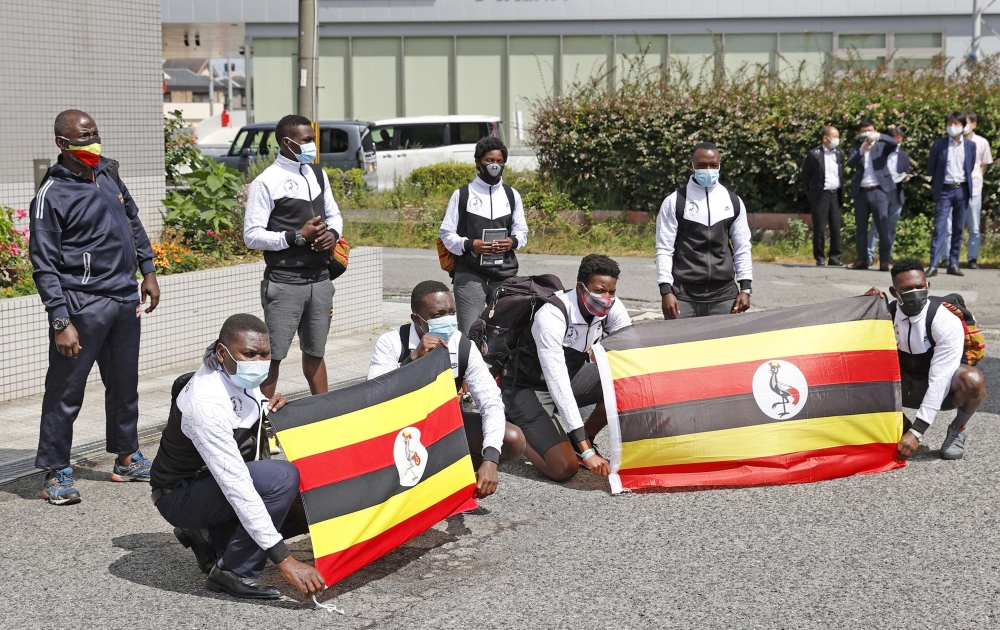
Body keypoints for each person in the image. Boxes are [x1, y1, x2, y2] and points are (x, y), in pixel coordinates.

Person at [29, 109, 161, 505]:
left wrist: (148, 270)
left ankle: (126, 457)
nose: (92, 142)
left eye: (94, 134)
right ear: (62, 144)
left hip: (123, 297)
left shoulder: (108, 174)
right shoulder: (51, 194)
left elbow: (133, 221)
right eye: (83, 137)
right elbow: (43, 262)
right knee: (66, 390)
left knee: (124, 384)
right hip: (82, 304)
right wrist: (59, 318)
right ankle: (57, 470)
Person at [149, 314, 325, 600]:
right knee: (281, 479)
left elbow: (242, 412)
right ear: (222, 352)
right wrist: (285, 560)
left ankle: (207, 535)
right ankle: (234, 572)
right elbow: (238, 486)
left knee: (311, 491)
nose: (258, 361)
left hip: (209, 484)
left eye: (265, 354)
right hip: (179, 495)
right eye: (249, 354)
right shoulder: (205, 402)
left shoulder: (231, 373)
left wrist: (267, 407)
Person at [367, 280, 526, 498]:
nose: (447, 320)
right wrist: (412, 360)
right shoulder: (392, 342)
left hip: (442, 425)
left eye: (451, 312)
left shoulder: (462, 346)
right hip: (398, 430)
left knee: (512, 438)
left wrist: (490, 460)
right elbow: (374, 397)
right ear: (417, 319)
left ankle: (454, 486)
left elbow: (491, 402)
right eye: (438, 315)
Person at [502, 254, 631, 482]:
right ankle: (509, 429)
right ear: (581, 288)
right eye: (600, 291)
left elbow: (630, 352)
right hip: (528, 388)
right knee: (563, 468)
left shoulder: (612, 306)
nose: (607, 298)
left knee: (622, 382)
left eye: (611, 292)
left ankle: (580, 443)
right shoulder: (551, 315)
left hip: (570, 377)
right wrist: (589, 452)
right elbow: (558, 384)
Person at [243, 114, 343, 397]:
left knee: (315, 352)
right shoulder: (266, 181)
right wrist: (296, 236)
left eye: (313, 139)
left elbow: (335, 214)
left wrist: (332, 235)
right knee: (272, 355)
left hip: (321, 281)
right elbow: (251, 235)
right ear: (287, 143)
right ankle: (262, 420)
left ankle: (323, 413)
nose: (312, 146)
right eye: (307, 141)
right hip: (285, 282)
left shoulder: (318, 174)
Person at [864, 259, 986, 461]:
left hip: (941, 389)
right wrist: (865, 305)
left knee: (973, 380)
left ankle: (958, 429)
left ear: (928, 286)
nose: (915, 293)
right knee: (859, 372)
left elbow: (941, 378)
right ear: (895, 292)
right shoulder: (887, 314)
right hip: (902, 386)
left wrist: (918, 431)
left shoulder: (945, 321)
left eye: (920, 287)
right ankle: (900, 425)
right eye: (907, 289)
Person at [439, 136, 529, 335]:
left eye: (499, 161)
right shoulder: (462, 195)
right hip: (470, 274)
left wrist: (511, 242)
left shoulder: (511, 195)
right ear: (478, 162)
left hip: (504, 275)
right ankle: (470, 366)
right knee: (471, 332)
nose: (494, 165)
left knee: (504, 332)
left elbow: (522, 231)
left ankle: (498, 368)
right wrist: (471, 245)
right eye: (489, 161)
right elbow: (446, 233)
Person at [656, 141, 753, 319]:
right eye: (701, 165)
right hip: (683, 295)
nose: (708, 169)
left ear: (719, 165)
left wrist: (745, 288)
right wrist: (666, 290)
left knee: (724, 347)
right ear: (691, 165)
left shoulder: (733, 202)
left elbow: (742, 247)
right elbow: (664, 249)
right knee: (678, 346)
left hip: (724, 296)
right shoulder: (674, 201)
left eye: (713, 165)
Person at [927, 112, 976, 278]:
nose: (952, 127)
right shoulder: (939, 144)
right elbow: (931, 167)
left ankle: (954, 263)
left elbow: (970, 166)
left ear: (963, 126)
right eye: (949, 123)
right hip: (945, 190)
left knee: (958, 228)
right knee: (939, 227)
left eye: (956, 124)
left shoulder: (970, 146)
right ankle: (933, 265)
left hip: (962, 189)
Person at [846, 118, 898, 271]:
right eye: (863, 131)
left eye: (869, 130)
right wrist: (862, 150)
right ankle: (862, 259)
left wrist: (880, 136)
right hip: (861, 192)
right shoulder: (857, 149)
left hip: (878, 191)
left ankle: (883, 260)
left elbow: (894, 144)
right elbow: (850, 164)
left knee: (883, 227)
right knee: (861, 228)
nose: (866, 133)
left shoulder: (881, 147)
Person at [866, 125, 912, 265]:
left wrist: (905, 177)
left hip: (896, 192)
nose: (898, 143)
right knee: (876, 225)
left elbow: (906, 172)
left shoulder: (903, 155)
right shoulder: (880, 152)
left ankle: (887, 255)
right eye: (895, 140)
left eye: (900, 140)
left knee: (891, 226)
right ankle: (869, 255)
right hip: (881, 191)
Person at [801, 125, 845, 266]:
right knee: (819, 226)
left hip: (835, 193)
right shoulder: (814, 154)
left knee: (836, 226)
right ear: (825, 138)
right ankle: (819, 257)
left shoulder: (839, 154)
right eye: (835, 136)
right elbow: (806, 176)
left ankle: (835, 257)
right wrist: (812, 193)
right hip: (821, 195)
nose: (837, 140)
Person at [958, 111, 992, 269]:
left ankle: (972, 258)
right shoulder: (955, 141)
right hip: (957, 186)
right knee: (951, 226)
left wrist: (975, 178)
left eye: (967, 123)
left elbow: (983, 165)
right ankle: (948, 258)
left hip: (975, 188)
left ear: (974, 124)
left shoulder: (982, 142)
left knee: (974, 226)